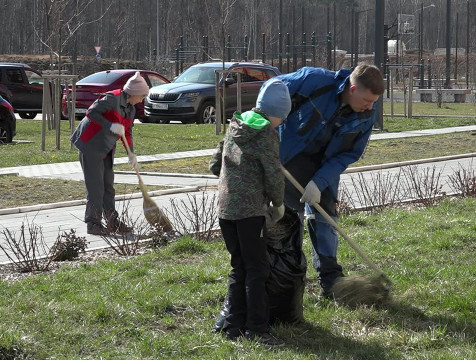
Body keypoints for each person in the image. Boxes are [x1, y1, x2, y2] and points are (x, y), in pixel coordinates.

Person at [275, 64, 385, 297]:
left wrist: (319, 181)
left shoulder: (366, 116)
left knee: (324, 217)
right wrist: (269, 130)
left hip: (325, 165)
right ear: (352, 89)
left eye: (374, 101)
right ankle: (287, 273)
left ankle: (331, 278)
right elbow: (272, 90)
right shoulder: (314, 81)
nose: (370, 106)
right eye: (367, 100)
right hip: (288, 158)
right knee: (285, 217)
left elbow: (349, 154)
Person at [209, 78, 291, 346]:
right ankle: (257, 329)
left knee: (239, 265)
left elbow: (214, 163)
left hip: (225, 209)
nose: (280, 123)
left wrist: (233, 176)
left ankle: (232, 325)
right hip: (250, 212)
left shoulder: (237, 122)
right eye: (282, 118)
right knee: (257, 269)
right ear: (277, 113)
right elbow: (273, 174)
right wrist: (278, 203)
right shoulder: (267, 132)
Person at [71, 71, 148, 235]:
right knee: (96, 187)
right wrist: (111, 125)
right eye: (141, 96)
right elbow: (91, 113)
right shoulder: (112, 98)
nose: (142, 100)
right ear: (134, 93)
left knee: (108, 186)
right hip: (90, 144)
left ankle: (112, 221)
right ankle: (93, 223)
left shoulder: (130, 109)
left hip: (106, 147)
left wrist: (131, 154)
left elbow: (126, 132)